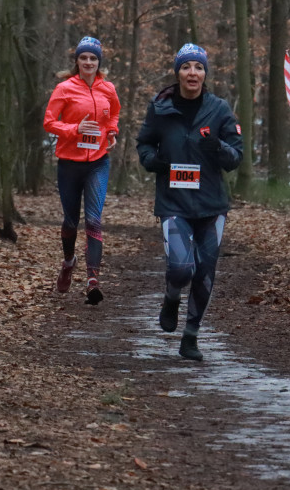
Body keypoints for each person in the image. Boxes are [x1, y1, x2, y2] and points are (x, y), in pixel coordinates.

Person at [136, 43, 243, 361]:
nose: (192, 73)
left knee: (205, 271)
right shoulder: (160, 107)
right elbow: (144, 143)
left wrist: (217, 146)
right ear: (177, 72)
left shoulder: (220, 109)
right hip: (173, 202)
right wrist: (153, 161)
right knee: (182, 268)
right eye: (186, 67)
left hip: (211, 205)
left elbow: (236, 157)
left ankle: (191, 337)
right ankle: (171, 297)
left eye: (198, 67)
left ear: (204, 73)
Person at [43, 36, 121, 305]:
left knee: (94, 219)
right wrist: (74, 129)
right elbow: (49, 123)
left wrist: (111, 130)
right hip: (69, 163)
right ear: (76, 61)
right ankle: (68, 262)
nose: (88, 62)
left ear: (99, 62)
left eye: (93, 58)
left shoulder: (107, 88)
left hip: (98, 161)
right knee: (70, 221)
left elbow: (114, 114)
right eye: (84, 58)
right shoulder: (64, 88)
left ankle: (92, 281)